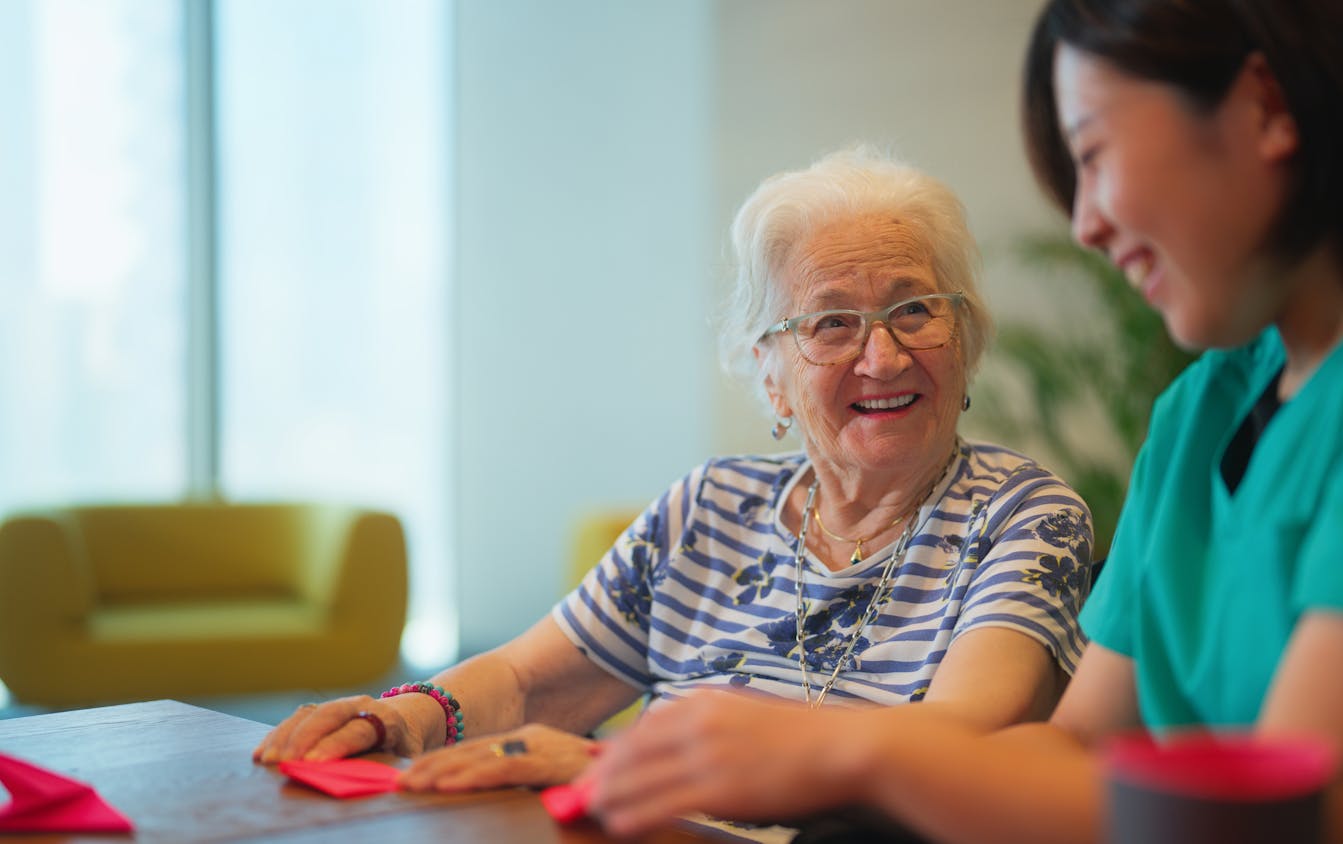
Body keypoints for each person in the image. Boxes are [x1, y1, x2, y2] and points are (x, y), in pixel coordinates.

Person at [588, 2, 1343, 842]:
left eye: (1092, 155)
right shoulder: (1201, 412)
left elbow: (1314, 819)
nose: (1086, 226)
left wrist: (849, 752)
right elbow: (1077, 748)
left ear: (1264, 108)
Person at [252, 146, 1092, 793]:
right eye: (832, 323)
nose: (883, 356)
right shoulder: (710, 506)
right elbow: (528, 683)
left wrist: (619, 766)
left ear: (965, 339)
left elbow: (964, 739)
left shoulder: (1024, 517)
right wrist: (399, 718)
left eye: (913, 310)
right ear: (771, 374)